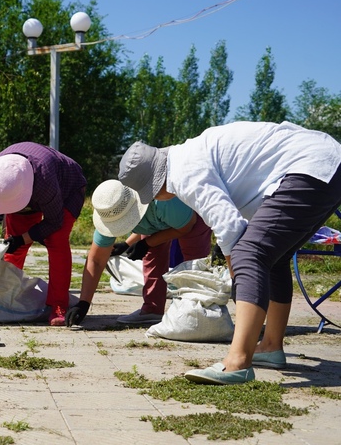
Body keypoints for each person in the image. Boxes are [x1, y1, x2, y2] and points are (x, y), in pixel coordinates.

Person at [118, 121, 341, 385]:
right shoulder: (188, 155)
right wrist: (241, 274)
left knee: (250, 252)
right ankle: (270, 346)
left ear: (155, 182)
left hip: (310, 166)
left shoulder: (183, 172)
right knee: (273, 258)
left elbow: (230, 226)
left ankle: (237, 362)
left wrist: (239, 276)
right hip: (325, 163)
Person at [0, 142, 87, 326]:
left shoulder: (44, 178)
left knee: (56, 239)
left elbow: (54, 222)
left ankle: (58, 305)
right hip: (27, 187)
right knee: (13, 249)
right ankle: (7, 297)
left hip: (67, 188)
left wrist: (23, 238)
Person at [65, 180, 212, 327]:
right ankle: (152, 309)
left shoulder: (163, 202)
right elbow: (96, 260)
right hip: (162, 218)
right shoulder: (110, 210)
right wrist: (83, 303)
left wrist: (147, 243)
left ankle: (198, 312)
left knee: (194, 262)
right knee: (152, 256)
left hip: (191, 215)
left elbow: (186, 226)